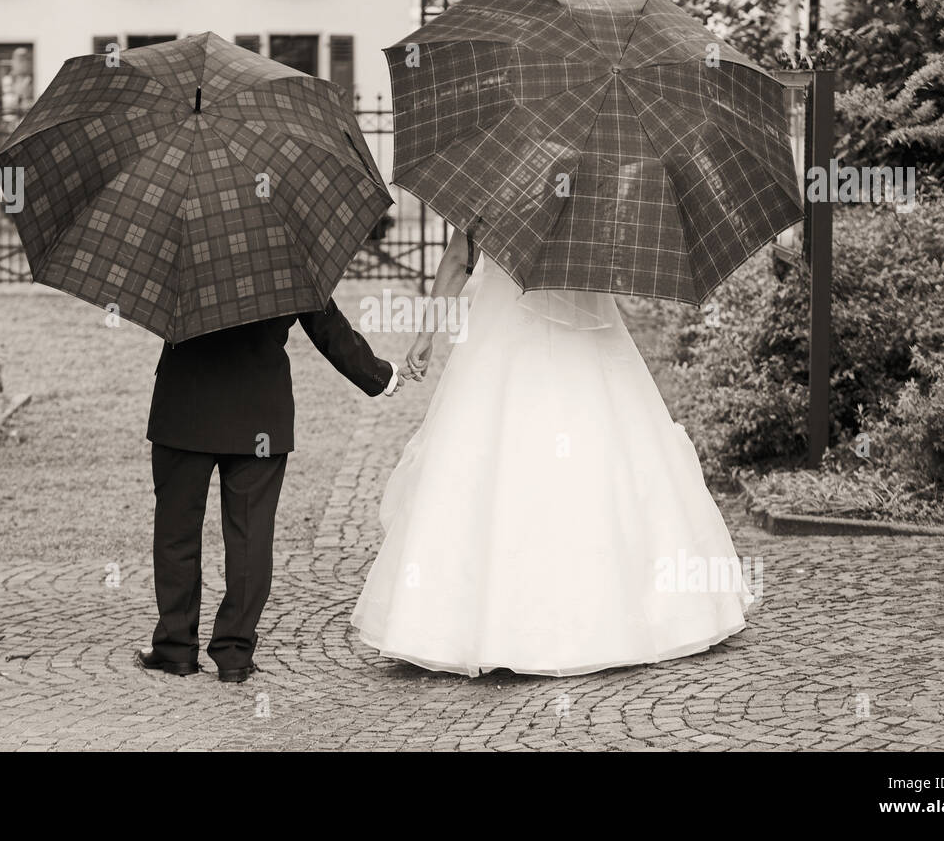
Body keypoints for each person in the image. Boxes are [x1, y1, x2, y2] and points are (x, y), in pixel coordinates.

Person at [352, 229, 751, 677]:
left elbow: (459, 258)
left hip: (503, 332)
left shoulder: (488, 166)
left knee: (488, 456)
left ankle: (476, 625)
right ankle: (631, 614)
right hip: (582, 333)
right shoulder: (597, 164)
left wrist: (427, 335)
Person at [137, 302, 402, 682]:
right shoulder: (283, 252)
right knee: (251, 536)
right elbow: (327, 327)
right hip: (259, 415)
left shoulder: (179, 247)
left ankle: (175, 649)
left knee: (175, 533)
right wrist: (380, 374)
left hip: (184, 408)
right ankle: (234, 654)